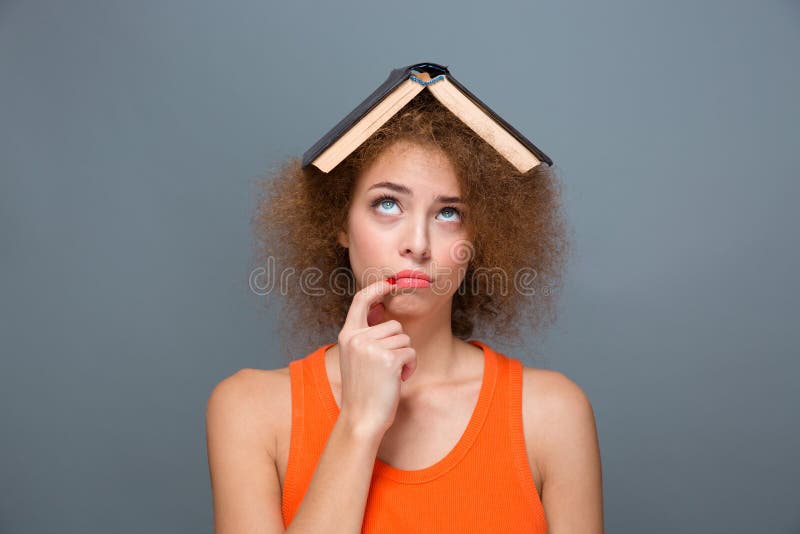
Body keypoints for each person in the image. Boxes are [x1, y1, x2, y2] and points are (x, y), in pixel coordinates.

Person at [206, 89, 603, 533]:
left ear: (481, 235)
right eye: (387, 204)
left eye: (448, 213)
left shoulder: (552, 414)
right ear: (339, 222)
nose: (418, 242)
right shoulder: (250, 410)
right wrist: (359, 423)